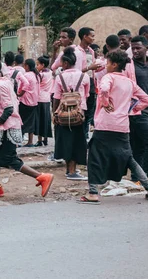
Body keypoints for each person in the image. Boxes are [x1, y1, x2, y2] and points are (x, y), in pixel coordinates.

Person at [79, 50, 148, 204]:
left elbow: (104, 89)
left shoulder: (108, 77)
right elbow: (146, 100)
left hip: (105, 125)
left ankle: (93, 192)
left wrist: (106, 103)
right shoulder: (129, 82)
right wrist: (132, 109)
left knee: (94, 157)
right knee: (129, 159)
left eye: (108, 62)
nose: (106, 64)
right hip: (122, 125)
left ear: (114, 64)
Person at [0, 58, 54, 198]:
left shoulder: (1, 86)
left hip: (8, 128)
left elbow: (8, 109)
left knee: (10, 160)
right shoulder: (3, 82)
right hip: (5, 128)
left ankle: (42, 177)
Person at [52, 47, 90, 180]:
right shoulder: (84, 76)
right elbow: (86, 95)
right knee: (77, 140)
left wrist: (54, 114)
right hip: (79, 114)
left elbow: (56, 97)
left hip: (62, 114)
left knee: (66, 141)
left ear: (66, 64)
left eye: (62, 63)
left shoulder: (59, 77)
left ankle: (69, 169)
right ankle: (73, 171)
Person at [128, 36, 148, 180]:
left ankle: (137, 176)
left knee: (139, 145)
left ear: (146, 48)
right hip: (138, 110)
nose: (135, 51)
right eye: (133, 48)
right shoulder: (130, 68)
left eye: (138, 48)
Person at [77, 27, 101, 137]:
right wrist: (89, 67)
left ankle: (85, 134)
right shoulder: (76, 51)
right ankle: (80, 135)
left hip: (91, 84)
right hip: (80, 84)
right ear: (84, 36)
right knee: (80, 109)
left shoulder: (91, 51)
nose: (93, 38)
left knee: (89, 111)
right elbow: (75, 71)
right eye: (91, 36)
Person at [18, 59, 39, 146]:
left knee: (21, 121)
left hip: (25, 100)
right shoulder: (36, 75)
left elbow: (22, 86)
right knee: (31, 121)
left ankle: (18, 141)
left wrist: (19, 94)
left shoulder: (26, 75)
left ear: (27, 66)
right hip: (34, 101)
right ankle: (30, 141)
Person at [34, 56, 53, 146]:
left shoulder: (41, 75)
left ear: (42, 65)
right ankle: (45, 139)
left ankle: (39, 140)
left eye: (38, 64)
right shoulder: (50, 73)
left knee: (40, 119)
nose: (36, 66)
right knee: (46, 119)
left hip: (40, 98)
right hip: (47, 98)